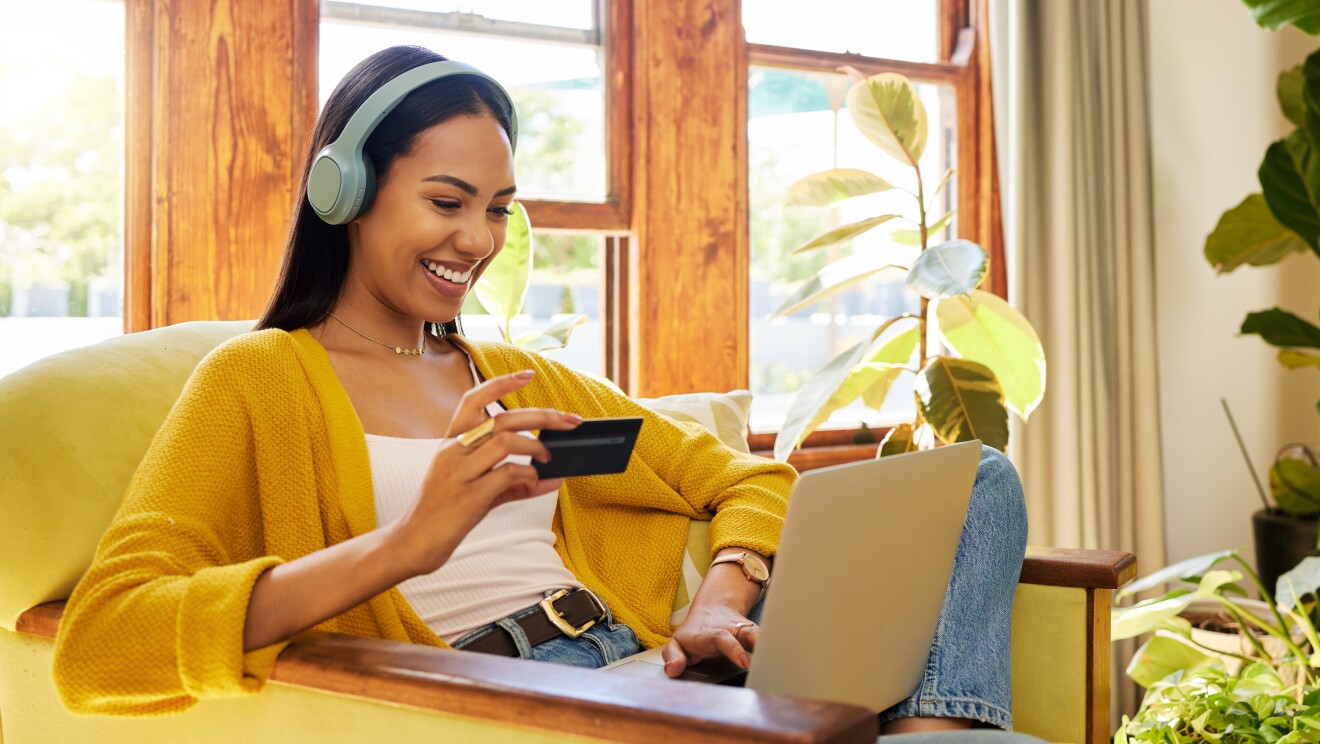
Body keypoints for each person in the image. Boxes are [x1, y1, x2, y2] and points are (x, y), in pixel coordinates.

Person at [51, 45, 1029, 734]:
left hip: (651, 668)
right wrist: (402, 544)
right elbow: (99, 645)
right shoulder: (257, 381)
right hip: (525, 695)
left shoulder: (517, 378)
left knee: (977, 477)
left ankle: (937, 729)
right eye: (446, 202)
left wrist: (717, 599)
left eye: (496, 210)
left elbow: (744, 478)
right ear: (341, 191)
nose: (475, 241)